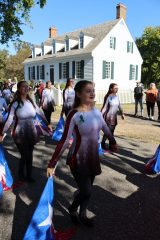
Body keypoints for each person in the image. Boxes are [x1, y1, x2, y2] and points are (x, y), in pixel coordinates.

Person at [47, 80, 117, 227]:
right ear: (78, 94)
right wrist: (52, 163)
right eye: (88, 91)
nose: (92, 93)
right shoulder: (74, 114)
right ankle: (73, 209)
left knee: (87, 190)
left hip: (93, 158)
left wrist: (112, 141)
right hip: (77, 158)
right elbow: (65, 140)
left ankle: (83, 214)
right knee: (86, 191)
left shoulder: (96, 112)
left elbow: (105, 127)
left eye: (93, 90)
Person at [0, 81, 52, 183]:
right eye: (23, 87)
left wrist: (47, 123)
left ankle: (29, 175)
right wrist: (1, 133)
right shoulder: (15, 104)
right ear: (18, 89)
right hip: (19, 133)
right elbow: (9, 120)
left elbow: (40, 112)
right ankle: (20, 175)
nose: (26, 88)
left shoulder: (31, 102)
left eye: (27, 87)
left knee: (30, 154)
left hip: (31, 133)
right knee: (25, 154)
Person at [101, 83, 124, 151]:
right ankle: (104, 143)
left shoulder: (116, 97)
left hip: (114, 117)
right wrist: (100, 115)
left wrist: (122, 113)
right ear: (111, 89)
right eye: (115, 88)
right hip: (108, 117)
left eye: (117, 88)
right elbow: (104, 107)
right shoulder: (108, 97)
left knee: (111, 132)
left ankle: (110, 146)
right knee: (109, 132)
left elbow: (119, 105)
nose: (117, 89)